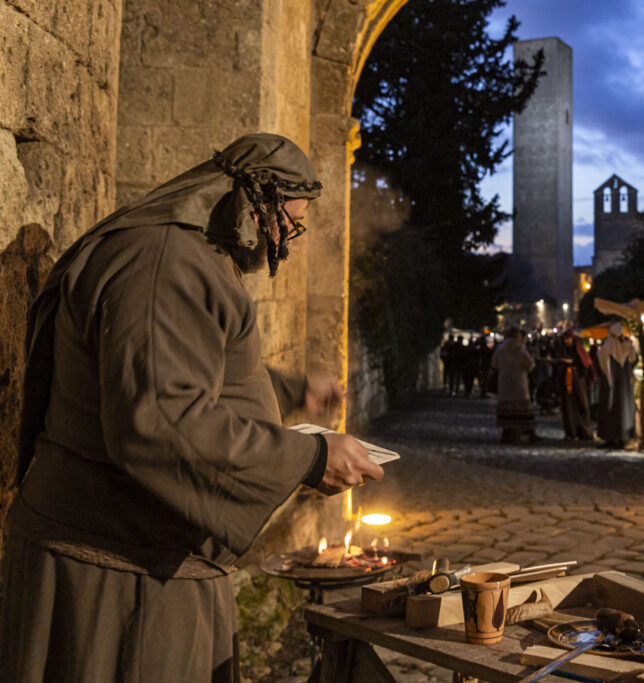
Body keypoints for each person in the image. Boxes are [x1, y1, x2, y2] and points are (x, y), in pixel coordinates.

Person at [1, 133, 385, 682]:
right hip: (115, 575)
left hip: (148, 562)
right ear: (255, 203)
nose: (290, 240)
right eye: (290, 223)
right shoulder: (164, 260)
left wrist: (286, 389)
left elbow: (186, 365)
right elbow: (158, 418)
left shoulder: (188, 258)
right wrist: (309, 458)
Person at [597, 322, 639, 448]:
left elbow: (602, 364)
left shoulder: (607, 346)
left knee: (610, 407)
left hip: (611, 384)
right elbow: (634, 360)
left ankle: (610, 437)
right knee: (624, 408)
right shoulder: (628, 346)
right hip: (625, 384)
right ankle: (623, 437)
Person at [491, 328, 537, 443]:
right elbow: (530, 365)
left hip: (505, 383)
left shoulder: (501, 349)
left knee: (507, 410)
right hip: (519, 384)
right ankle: (523, 433)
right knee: (521, 410)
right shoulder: (521, 349)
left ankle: (507, 432)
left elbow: (494, 364)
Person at [554, 328, 598, 440]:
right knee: (568, 406)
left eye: (568, 339)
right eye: (565, 339)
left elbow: (585, 364)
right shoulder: (562, 349)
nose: (566, 341)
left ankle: (584, 431)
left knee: (581, 405)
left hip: (578, 381)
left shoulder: (579, 349)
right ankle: (571, 432)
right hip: (567, 381)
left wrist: (574, 365)